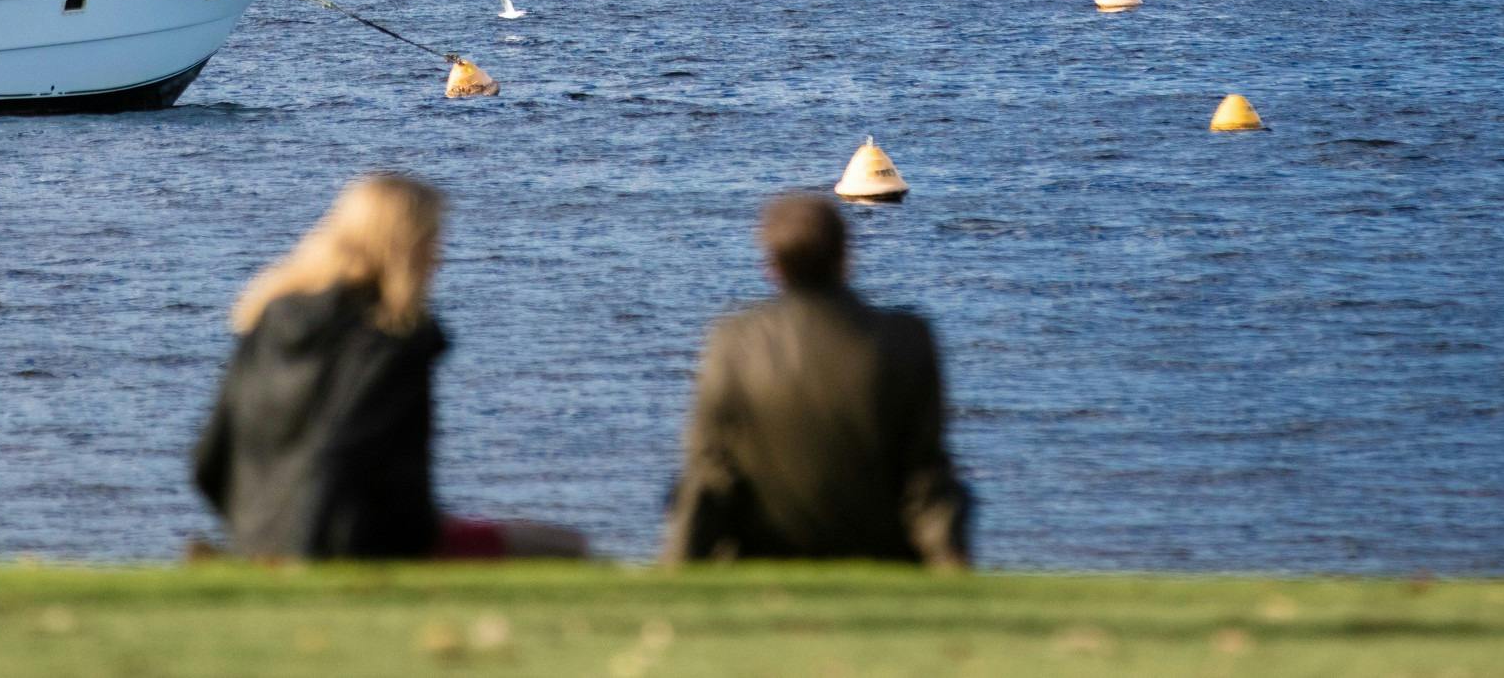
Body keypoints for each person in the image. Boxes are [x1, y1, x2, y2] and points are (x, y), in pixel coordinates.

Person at [191, 173, 584, 560]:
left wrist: (261, 536)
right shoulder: (394, 336)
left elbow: (209, 462)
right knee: (564, 547)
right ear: (402, 246)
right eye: (431, 239)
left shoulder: (267, 318)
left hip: (259, 539)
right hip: (360, 542)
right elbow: (357, 461)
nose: (439, 256)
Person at [662, 190, 972, 567]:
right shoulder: (907, 339)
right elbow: (926, 477)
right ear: (845, 257)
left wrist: (678, 564)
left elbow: (709, 473)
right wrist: (950, 562)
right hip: (881, 554)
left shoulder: (733, 343)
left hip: (762, 554)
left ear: (771, 265)